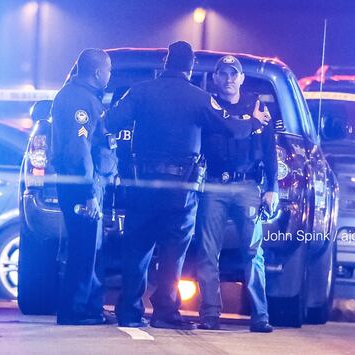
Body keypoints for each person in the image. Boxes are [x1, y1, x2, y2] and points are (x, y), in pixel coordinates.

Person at [105, 41, 271, 330]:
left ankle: (130, 310)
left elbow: (112, 121)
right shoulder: (198, 98)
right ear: (191, 66)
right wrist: (253, 121)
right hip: (180, 189)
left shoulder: (141, 91)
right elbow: (229, 126)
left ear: (166, 63)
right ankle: (164, 311)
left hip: (142, 183)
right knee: (173, 249)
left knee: (137, 246)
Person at [195, 55, 278, 333]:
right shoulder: (208, 104)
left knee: (253, 253)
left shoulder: (257, 106)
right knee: (208, 252)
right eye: (223, 74)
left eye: (234, 74)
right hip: (214, 185)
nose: (229, 79)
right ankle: (209, 314)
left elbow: (269, 150)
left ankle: (260, 315)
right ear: (216, 78)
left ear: (241, 78)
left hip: (247, 186)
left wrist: (272, 189)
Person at [51, 48, 117, 325]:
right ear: (99, 72)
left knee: (90, 248)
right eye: (109, 71)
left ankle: (90, 308)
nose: (110, 76)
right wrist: (90, 193)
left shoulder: (74, 95)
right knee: (84, 249)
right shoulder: (82, 101)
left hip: (79, 183)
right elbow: (79, 151)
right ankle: (74, 311)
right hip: (82, 185)